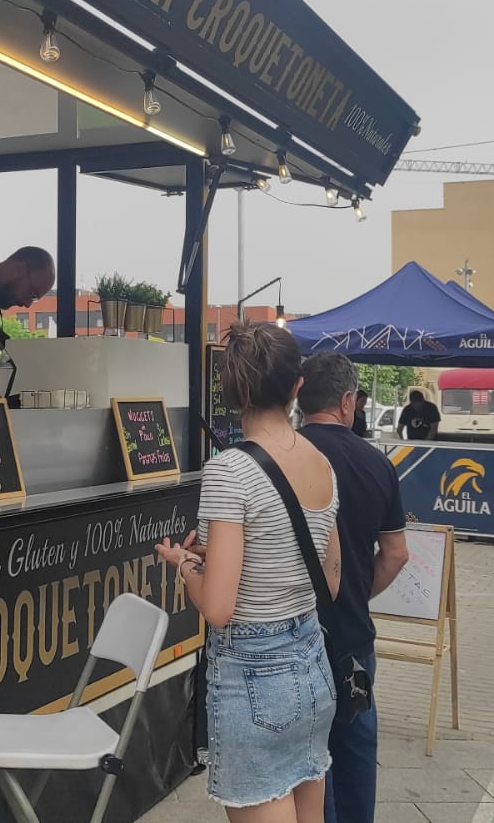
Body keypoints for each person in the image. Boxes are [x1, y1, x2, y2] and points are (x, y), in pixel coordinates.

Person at [153, 321, 340, 820]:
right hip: (313, 664)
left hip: (255, 677)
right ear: (297, 386)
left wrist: (186, 565)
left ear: (234, 391)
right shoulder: (321, 462)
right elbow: (332, 577)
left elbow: (218, 608)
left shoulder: (229, 471)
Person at [296, 353, 409, 823]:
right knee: (355, 750)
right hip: (353, 641)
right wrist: (357, 591)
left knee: (304, 760)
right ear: (348, 401)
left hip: (292, 637)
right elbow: (397, 554)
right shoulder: (376, 463)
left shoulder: (280, 457)